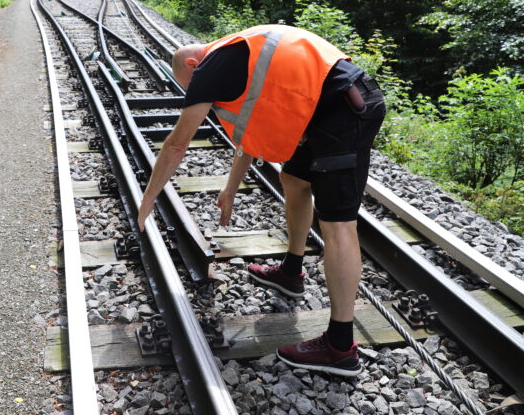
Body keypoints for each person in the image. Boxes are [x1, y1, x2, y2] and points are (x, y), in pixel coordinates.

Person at [137, 24, 386, 377]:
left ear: (193, 65)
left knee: (339, 225)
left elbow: (177, 143)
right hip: (332, 108)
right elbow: (252, 133)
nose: (196, 97)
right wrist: (230, 188)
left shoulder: (210, 68)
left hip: (345, 113)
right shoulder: (237, 57)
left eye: (189, 89)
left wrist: (146, 202)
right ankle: (291, 272)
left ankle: (341, 347)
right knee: (294, 179)